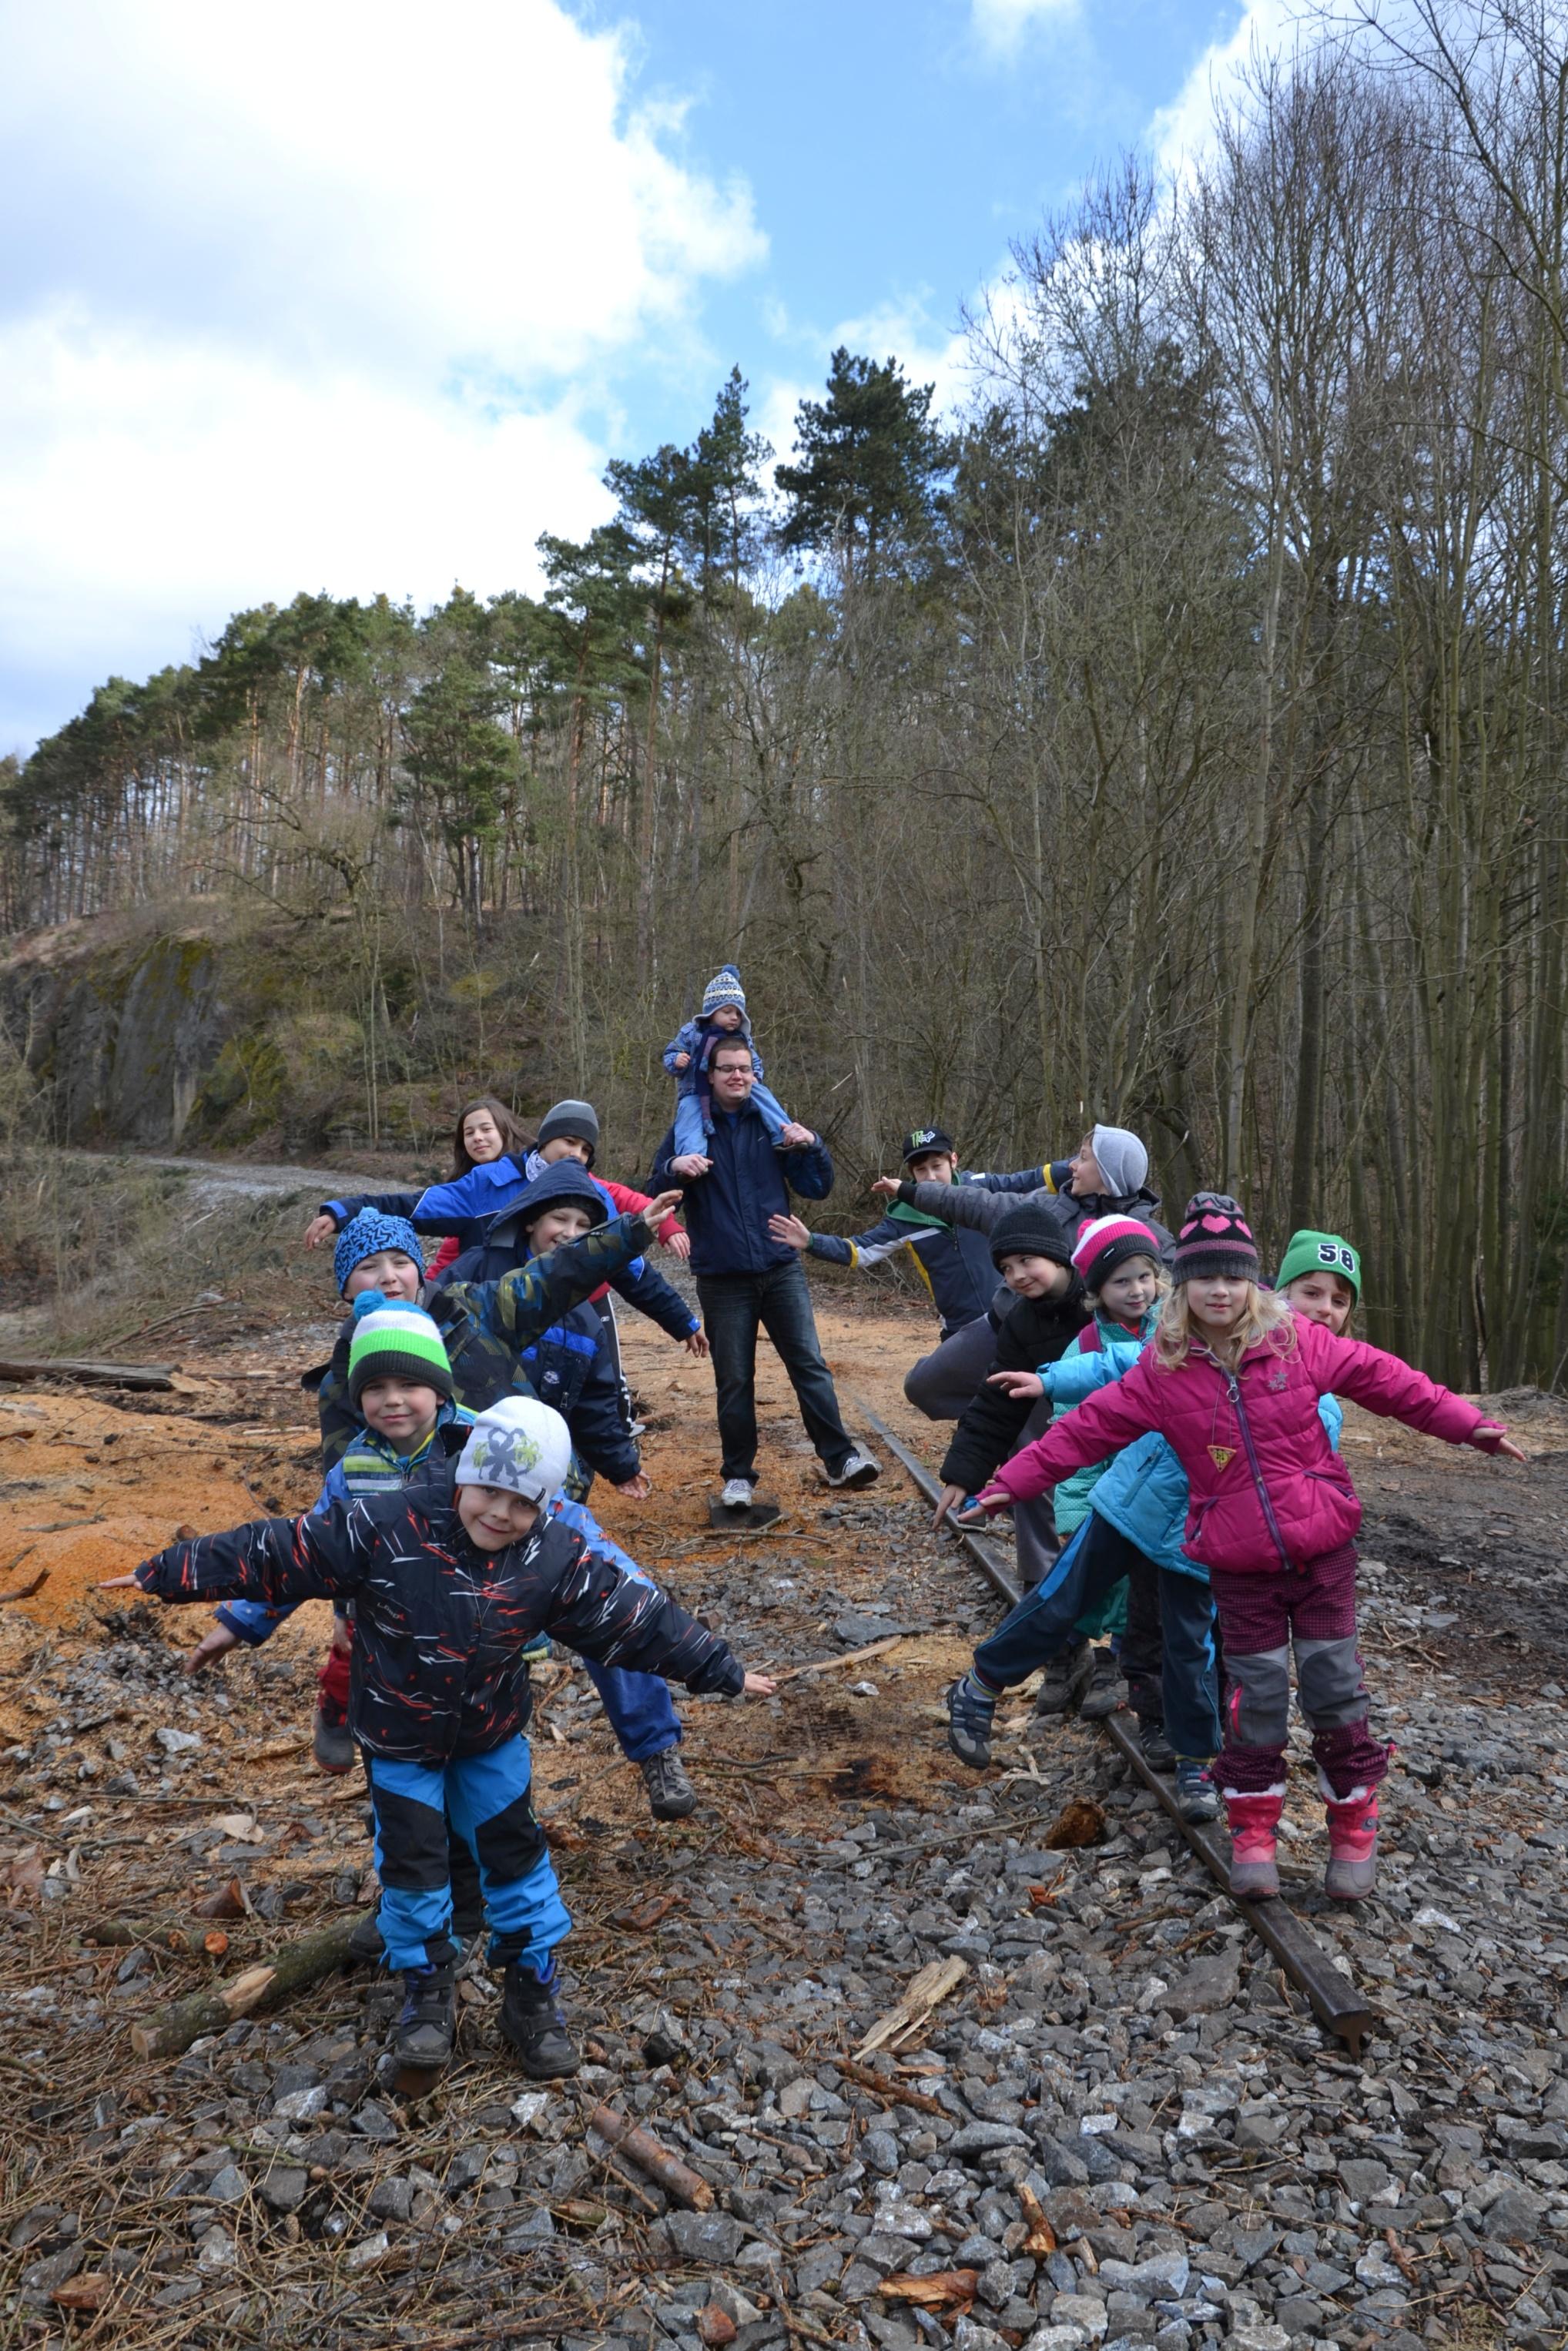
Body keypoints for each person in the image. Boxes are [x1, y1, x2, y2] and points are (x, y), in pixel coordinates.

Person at [106, 1396, 776, 2080]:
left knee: (517, 1860)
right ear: (465, 1472)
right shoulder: (386, 1522)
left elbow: (635, 1617)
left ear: (544, 1504)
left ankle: (530, 1994)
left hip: (490, 1737)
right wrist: (167, 1571)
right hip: (400, 1741)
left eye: (522, 1502)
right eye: (489, 1489)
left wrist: (723, 1669)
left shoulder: (554, 1554)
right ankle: (427, 1991)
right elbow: (279, 1550)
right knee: (414, 1866)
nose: (500, 1513)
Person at [973, 1194, 1525, 1903]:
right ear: (1184, 1283)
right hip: (1236, 1565)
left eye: (1234, 1274)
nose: (1221, 1289)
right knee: (1255, 1696)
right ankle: (1254, 1830)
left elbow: (1391, 1382)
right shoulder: (1162, 1369)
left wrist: (1470, 1424)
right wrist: (1012, 1481)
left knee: (1334, 1689)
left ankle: (1353, 1823)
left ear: (1253, 1281)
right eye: (1205, 1274)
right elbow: (1085, 1431)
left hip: (1321, 1554)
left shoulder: (1300, 1342)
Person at [307, 1196, 704, 1821]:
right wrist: (345, 1603)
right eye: (367, 1268)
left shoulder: (475, 1311)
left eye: (398, 1262)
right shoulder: (345, 1377)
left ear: (419, 1268)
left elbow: (555, 1273)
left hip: (522, 1512)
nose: (387, 1277)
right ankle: (436, 1833)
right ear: (345, 1289)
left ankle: (655, 1747)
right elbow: (346, 1493)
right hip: (431, 1543)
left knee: (610, 1594)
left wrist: (631, 1231)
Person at [652, 1034, 879, 1508]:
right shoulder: (689, 1129)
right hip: (722, 1277)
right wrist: (676, 1166)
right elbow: (654, 1188)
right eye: (727, 1068)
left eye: (744, 1068)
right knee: (734, 1379)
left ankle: (841, 1459)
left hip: (780, 1267)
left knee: (809, 1365)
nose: (737, 1075)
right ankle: (738, 1477)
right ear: (709, 1076)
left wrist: (812, 1144)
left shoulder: (773, 1125)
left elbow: (817, 1188)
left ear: (754, 1075)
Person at [890, 1124, 1171, 1425]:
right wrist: (911, 1193)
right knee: (924, 1386)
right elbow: (978, 1204)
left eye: (1084, 1158)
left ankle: (1009, 1431)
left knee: (1031, 1436)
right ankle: (993, 1420)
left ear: (1108, 1171)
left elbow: (1184, 1302)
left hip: (1071, 1353)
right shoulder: (1046, 1207)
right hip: (1003, 1324)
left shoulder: (1151, 1239)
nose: (1073, 1165)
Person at [769, 1127, 1053, 1356]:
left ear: (953, 1160)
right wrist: (811, 1242)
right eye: (920, 1170)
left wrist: (1084, 1167)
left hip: (1016, 1314)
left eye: (937, 1166)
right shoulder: (905, 1216)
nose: (930, 1176)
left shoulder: (981, 1188)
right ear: (911, 1175)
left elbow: (1033, 1179)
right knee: (965, 1400)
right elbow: (859, 1251)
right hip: (960, 1329)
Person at [926, 1205, 1090, 1591]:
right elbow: (998, 1401)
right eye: (1005, 1269)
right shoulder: (1021, 1320)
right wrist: (963, 1474)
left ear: (1056, 1253)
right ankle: (1057, 1613)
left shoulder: (1102, 1298)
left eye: (1026, 1260)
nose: (1016, 1276)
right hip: (1075, 1440)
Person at [665, 964, 792, 1154]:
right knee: (689, 1115)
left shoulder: (742, 1038)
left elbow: (755, 1061)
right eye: (728, 1012)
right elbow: (670, 1053)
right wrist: (676, 1061)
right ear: (712, 1011)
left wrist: (756, 1075)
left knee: (763, 1095)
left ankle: (784, 1135)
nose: (734, 1018)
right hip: (695, 1091)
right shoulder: (692, 1033)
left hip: (737, 1090)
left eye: (739, 1014)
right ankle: (693, 1156)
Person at [426, 1096, 536, 1284]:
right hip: (488, 1292)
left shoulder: (535, 1169)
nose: (477, 1137)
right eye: (469, 1133)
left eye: (486, 1129)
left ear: (504, 1130)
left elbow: (593, 1185)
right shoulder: (466, 1187)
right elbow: (450, 1253)